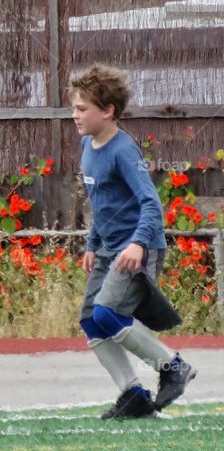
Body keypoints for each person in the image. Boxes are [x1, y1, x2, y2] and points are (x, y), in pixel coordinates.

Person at [70, 64, 197, 420]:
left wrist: (138, 244)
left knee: (108, 313)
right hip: (110, 248)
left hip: (140, 248)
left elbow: (150, 204)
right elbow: (101, 201)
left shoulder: (124, 150)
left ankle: (172, 367)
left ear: (108, 111)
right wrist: (93, 243)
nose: (75, 115)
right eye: (75, 108)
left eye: (83, 109)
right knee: (91, 319)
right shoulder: (87, 145)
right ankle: (134, 394)